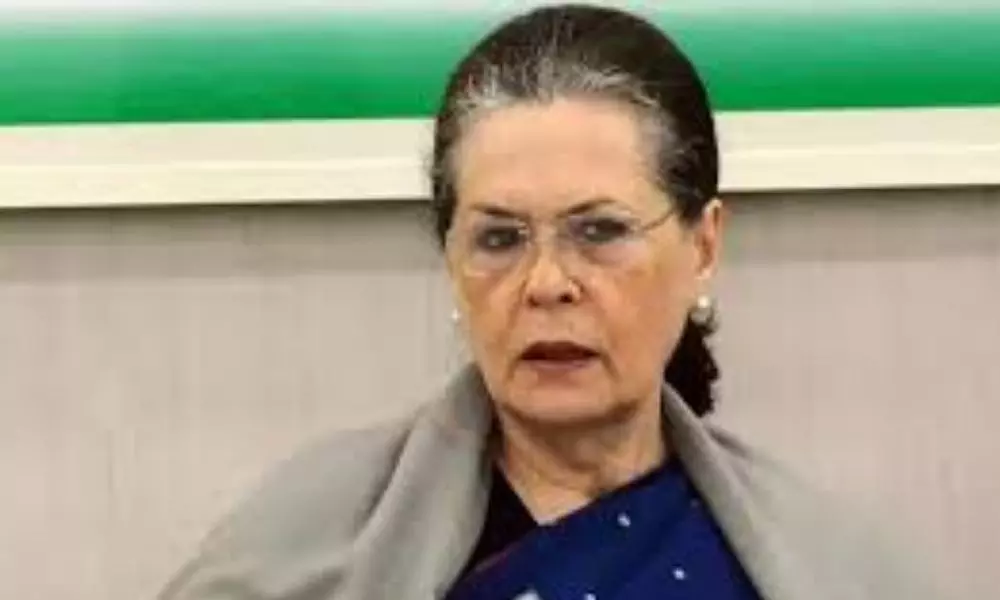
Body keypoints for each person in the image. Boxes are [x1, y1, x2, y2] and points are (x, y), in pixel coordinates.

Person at [160, 5, 938, 599]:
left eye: (600, 231)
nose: (546, 283)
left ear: (702, 247)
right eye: (500, 238)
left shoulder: (830, 562)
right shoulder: (304, 543)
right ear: (450, 260)